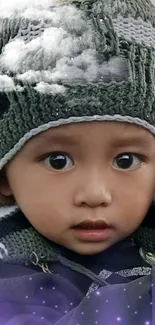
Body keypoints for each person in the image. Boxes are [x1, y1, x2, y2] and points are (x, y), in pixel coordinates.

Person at [0, 0, 155, 323]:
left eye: (126, 161)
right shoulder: (11, 271)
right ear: (4, 176)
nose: (95, 194)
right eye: (58, 161)